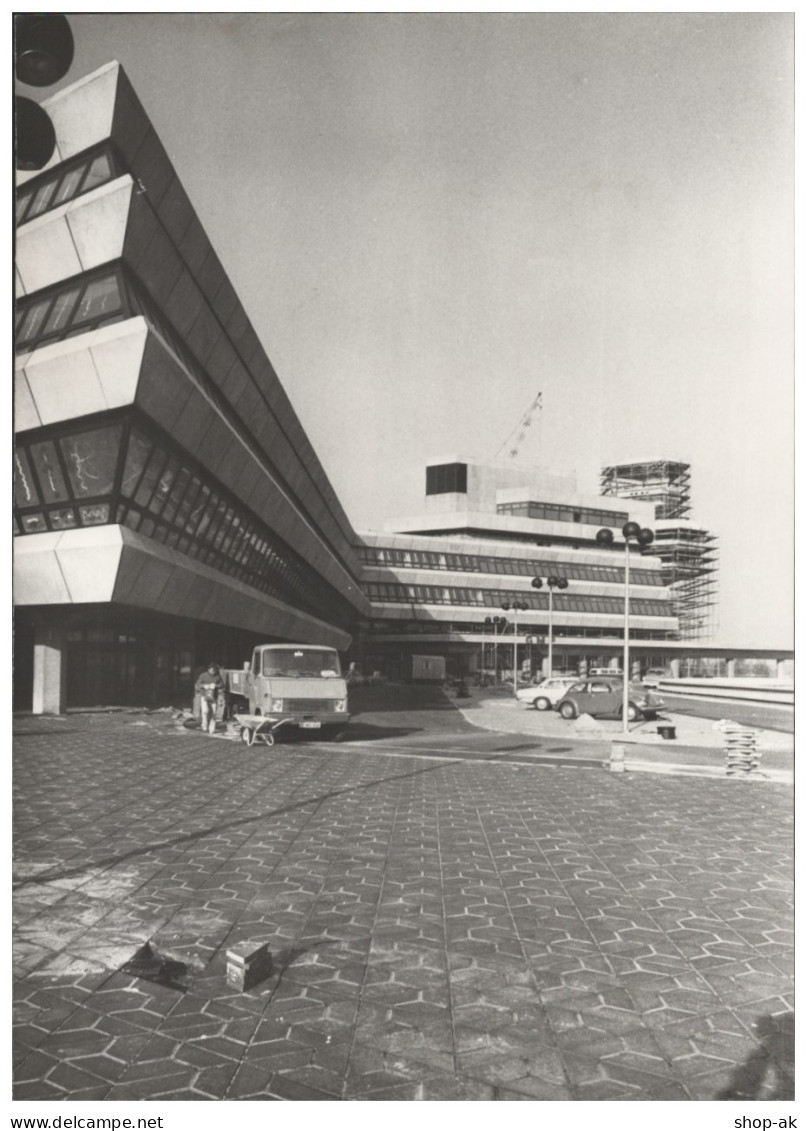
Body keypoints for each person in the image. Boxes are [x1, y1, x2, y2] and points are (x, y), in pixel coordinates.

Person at [195, 662, 224, 735]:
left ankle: (212, 728)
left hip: (214, 697)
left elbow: (222, 684)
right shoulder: (203, 675)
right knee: (205, 711)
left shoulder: (217, 676)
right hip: (204, 696)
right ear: (208, 669)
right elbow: (198, 684)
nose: (213, 671)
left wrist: (216, 686)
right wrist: (204, 686)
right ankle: (204, 726)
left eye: (214, 670)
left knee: (213, 713)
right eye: (211, 670)